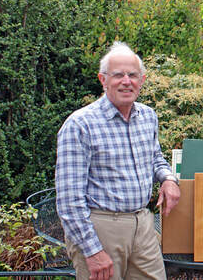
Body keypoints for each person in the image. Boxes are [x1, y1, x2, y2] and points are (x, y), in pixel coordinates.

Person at [56, 41, 180, 280]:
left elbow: (155, 158)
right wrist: (92, 251)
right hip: (101, 228)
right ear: (102, 80)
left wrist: (168, 179)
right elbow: (69, 200)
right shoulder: (80, 124)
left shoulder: (147, 117)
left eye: (132, 75)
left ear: (142, 80)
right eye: (118, 75)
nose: (126, 81)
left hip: (143, 225)